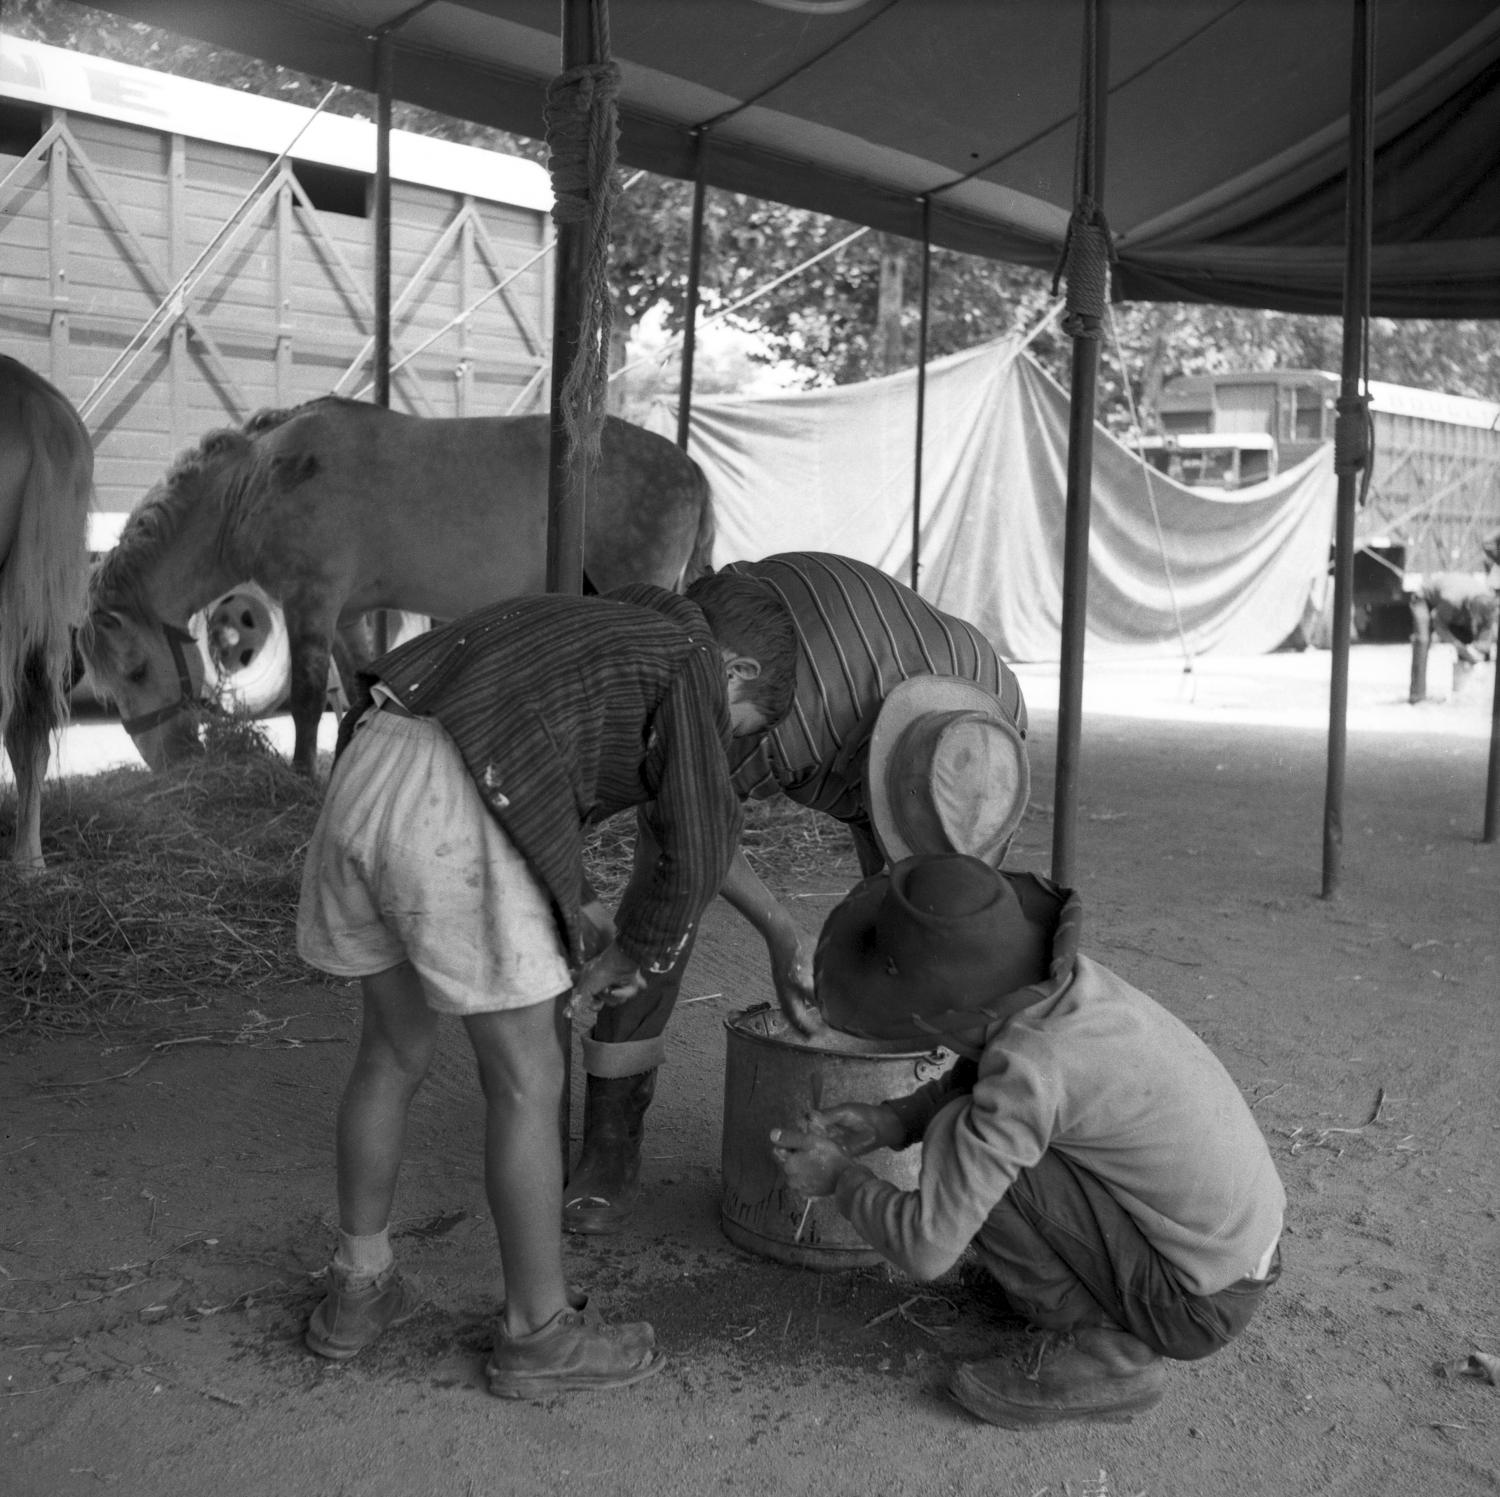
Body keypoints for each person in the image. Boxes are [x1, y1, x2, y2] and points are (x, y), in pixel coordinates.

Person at [295, 581, 796, 1397]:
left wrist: (581, 905)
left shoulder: (607, 626)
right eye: (736, 726)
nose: (723, 742)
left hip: (371, 763)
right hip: (450, 799)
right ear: (736, 669)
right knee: (528, 1078)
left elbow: (525, 754)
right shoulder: (692, 665)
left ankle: (358, 1286)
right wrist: (635, 951)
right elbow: (697, 843)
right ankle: (538, 1333)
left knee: (389, 1052)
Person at [565, 551, 1030, 1234]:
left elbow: (962, 918)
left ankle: (950, 1130)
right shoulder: (778, 718)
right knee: (665, 900)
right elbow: (694, 831)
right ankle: (612, 1143)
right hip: (777, 667)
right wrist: (781, 930)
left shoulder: (995, 724)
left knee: (943, 937)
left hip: (916, 740)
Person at [770, 853, 1285, 1428]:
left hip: (1195, 1304)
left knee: (962, 1140)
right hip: (1232, 1253)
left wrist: (840, 1178)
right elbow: (994, 1070)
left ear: (947, 1021)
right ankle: (1085, 1299)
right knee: (976, 1134)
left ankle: (1107, 1353)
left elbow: (925, 1249)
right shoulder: (1068, 991)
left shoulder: (1029, 1067)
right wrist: (891, 1121)